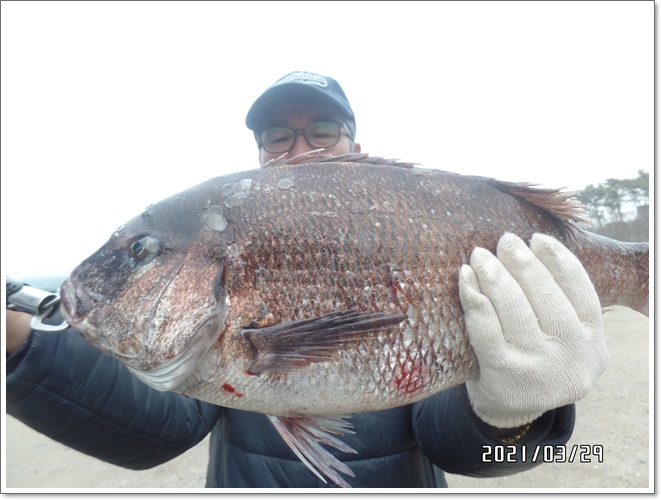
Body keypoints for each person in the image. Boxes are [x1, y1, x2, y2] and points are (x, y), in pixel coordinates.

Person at [6, 71, 608, 488]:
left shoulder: (408, 224)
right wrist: (16, 341)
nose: (300, 147)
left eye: (322, 130)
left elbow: (458, 448)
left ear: (355, 144)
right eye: (278, 136)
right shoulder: (220, 277)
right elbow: (159, 428)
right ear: (259, 154)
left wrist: (516, 413)